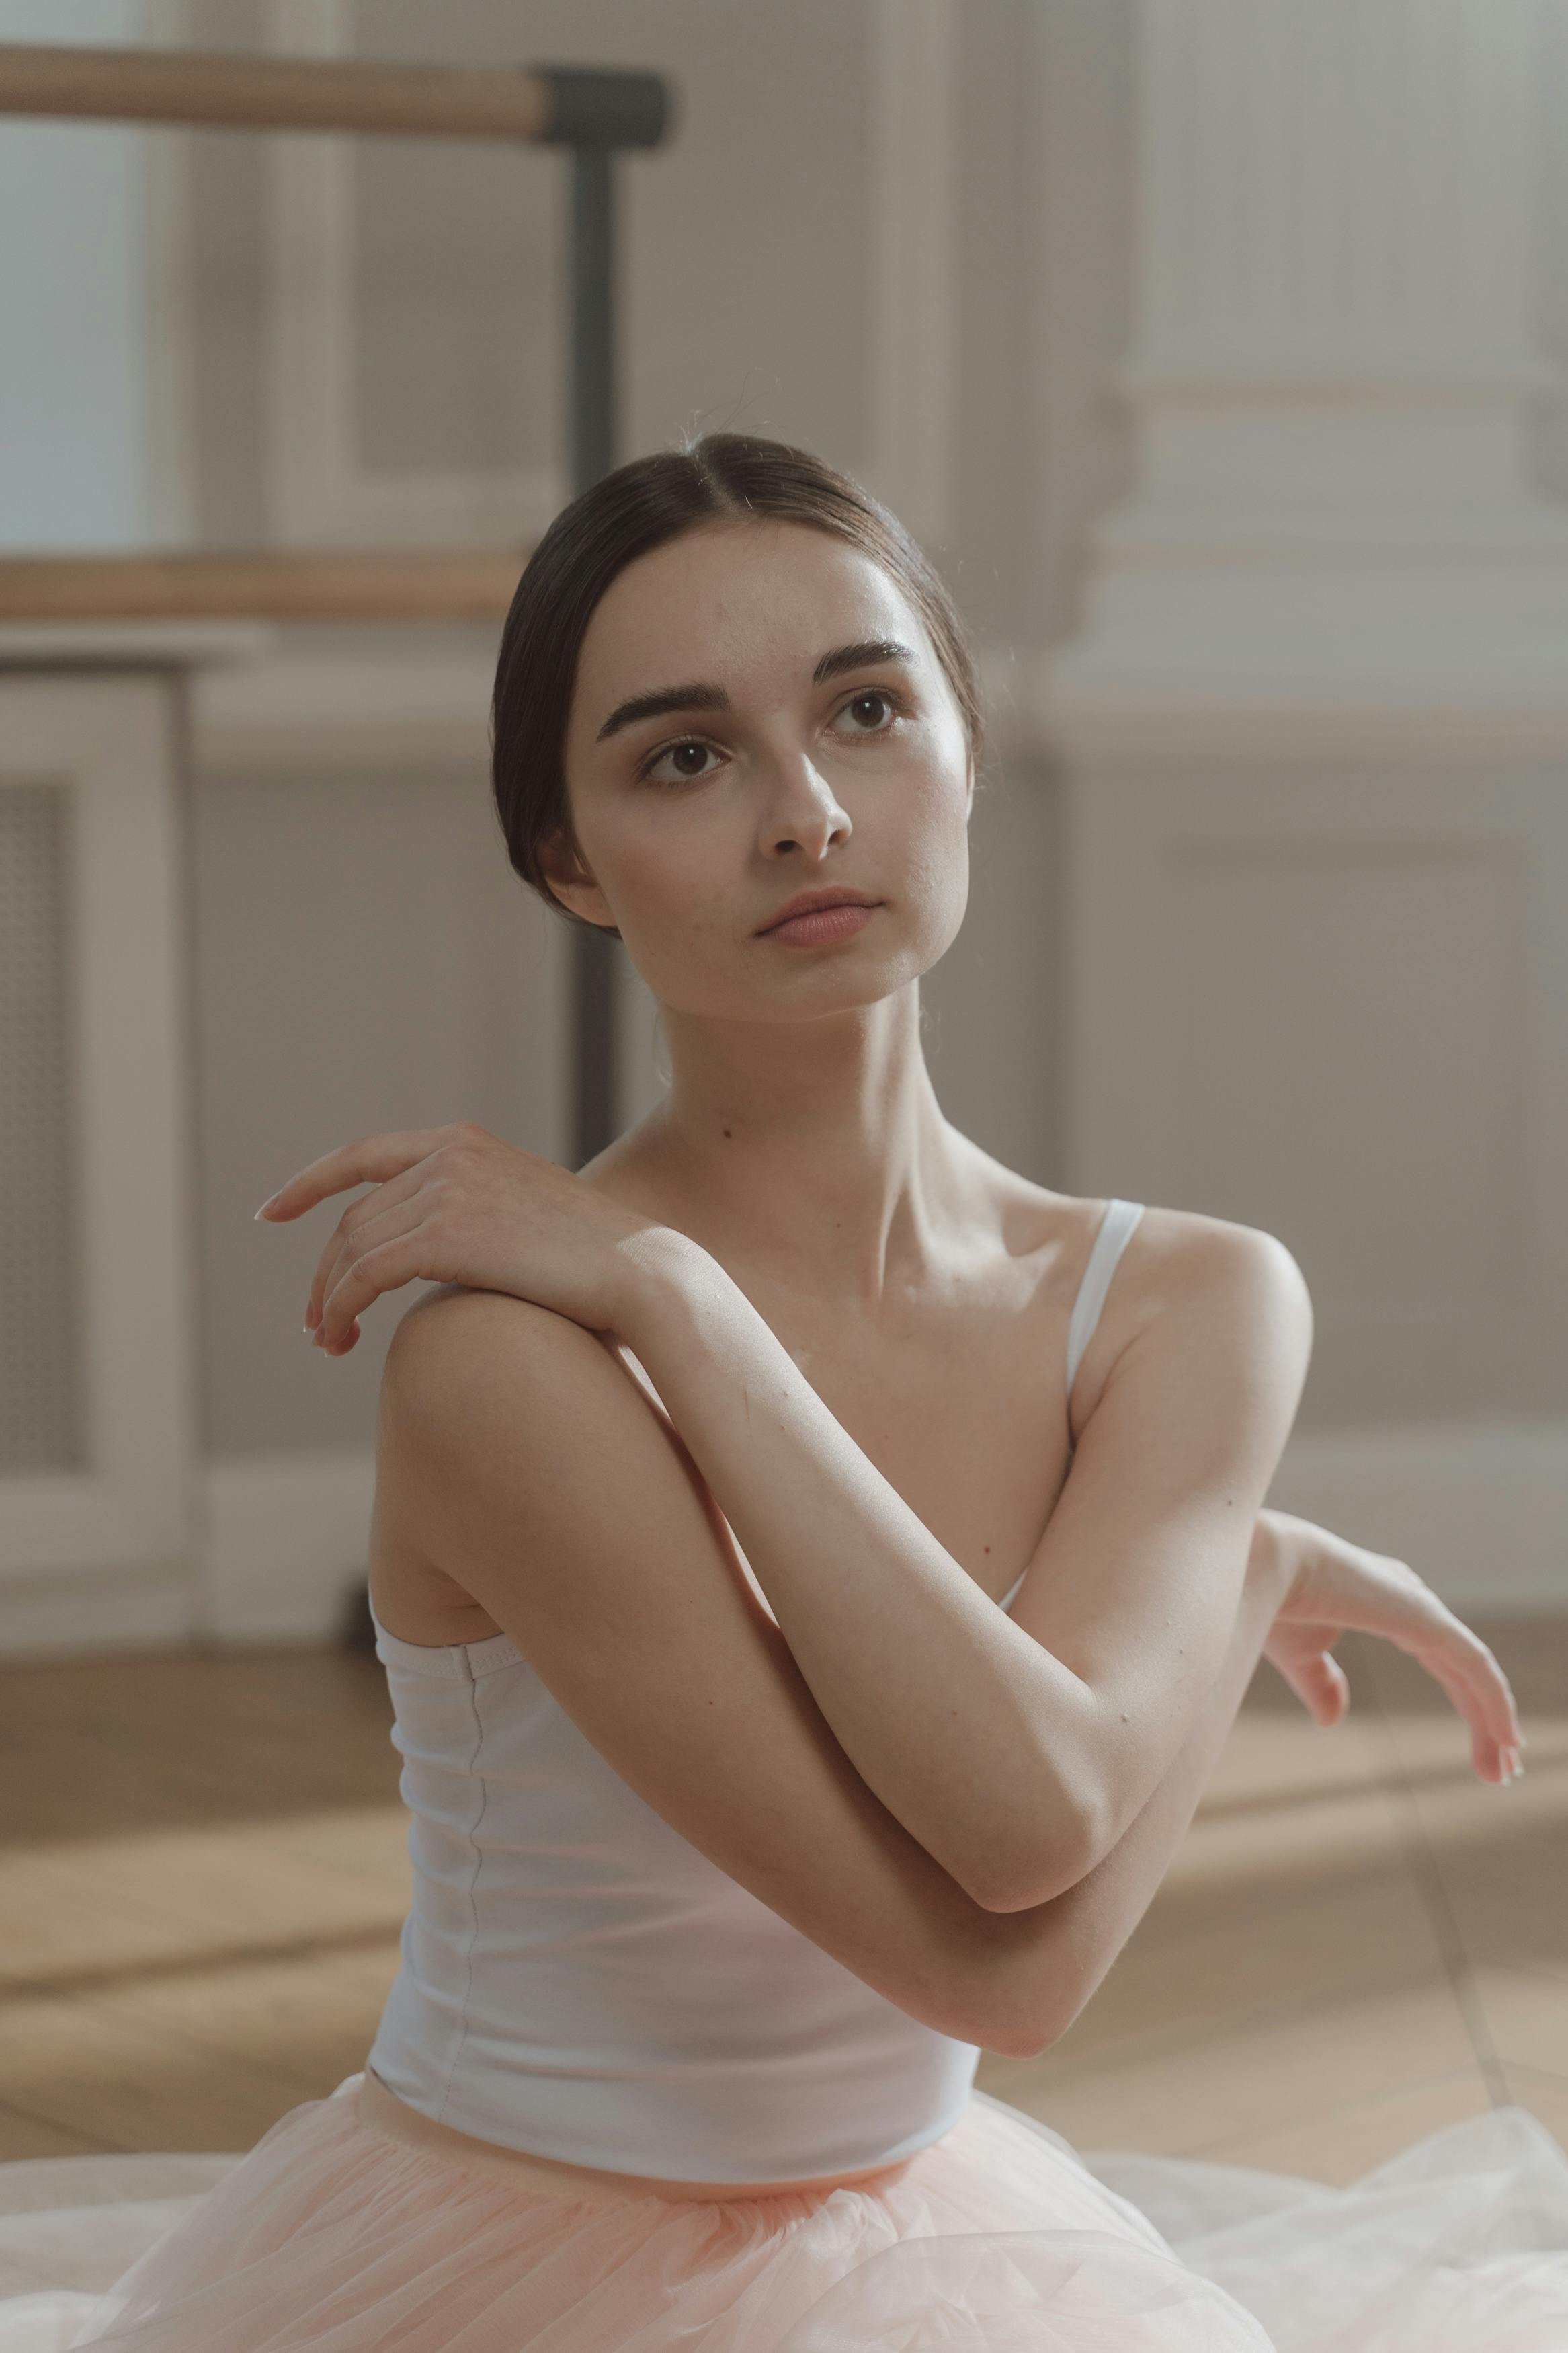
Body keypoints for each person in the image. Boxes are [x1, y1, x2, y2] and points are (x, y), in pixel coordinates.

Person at [5, 432, 1565, 2350]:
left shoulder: (1194, 1298)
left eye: (869, 709)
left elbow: (1043, 1824)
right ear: (569, 860)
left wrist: (683, 1309)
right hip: (497, 2270)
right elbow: (1003, 1943)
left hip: (944, 2255)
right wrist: (673, 1293)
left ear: (967, 751)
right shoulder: (508, 1360)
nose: (808, 812)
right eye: (685, 752)